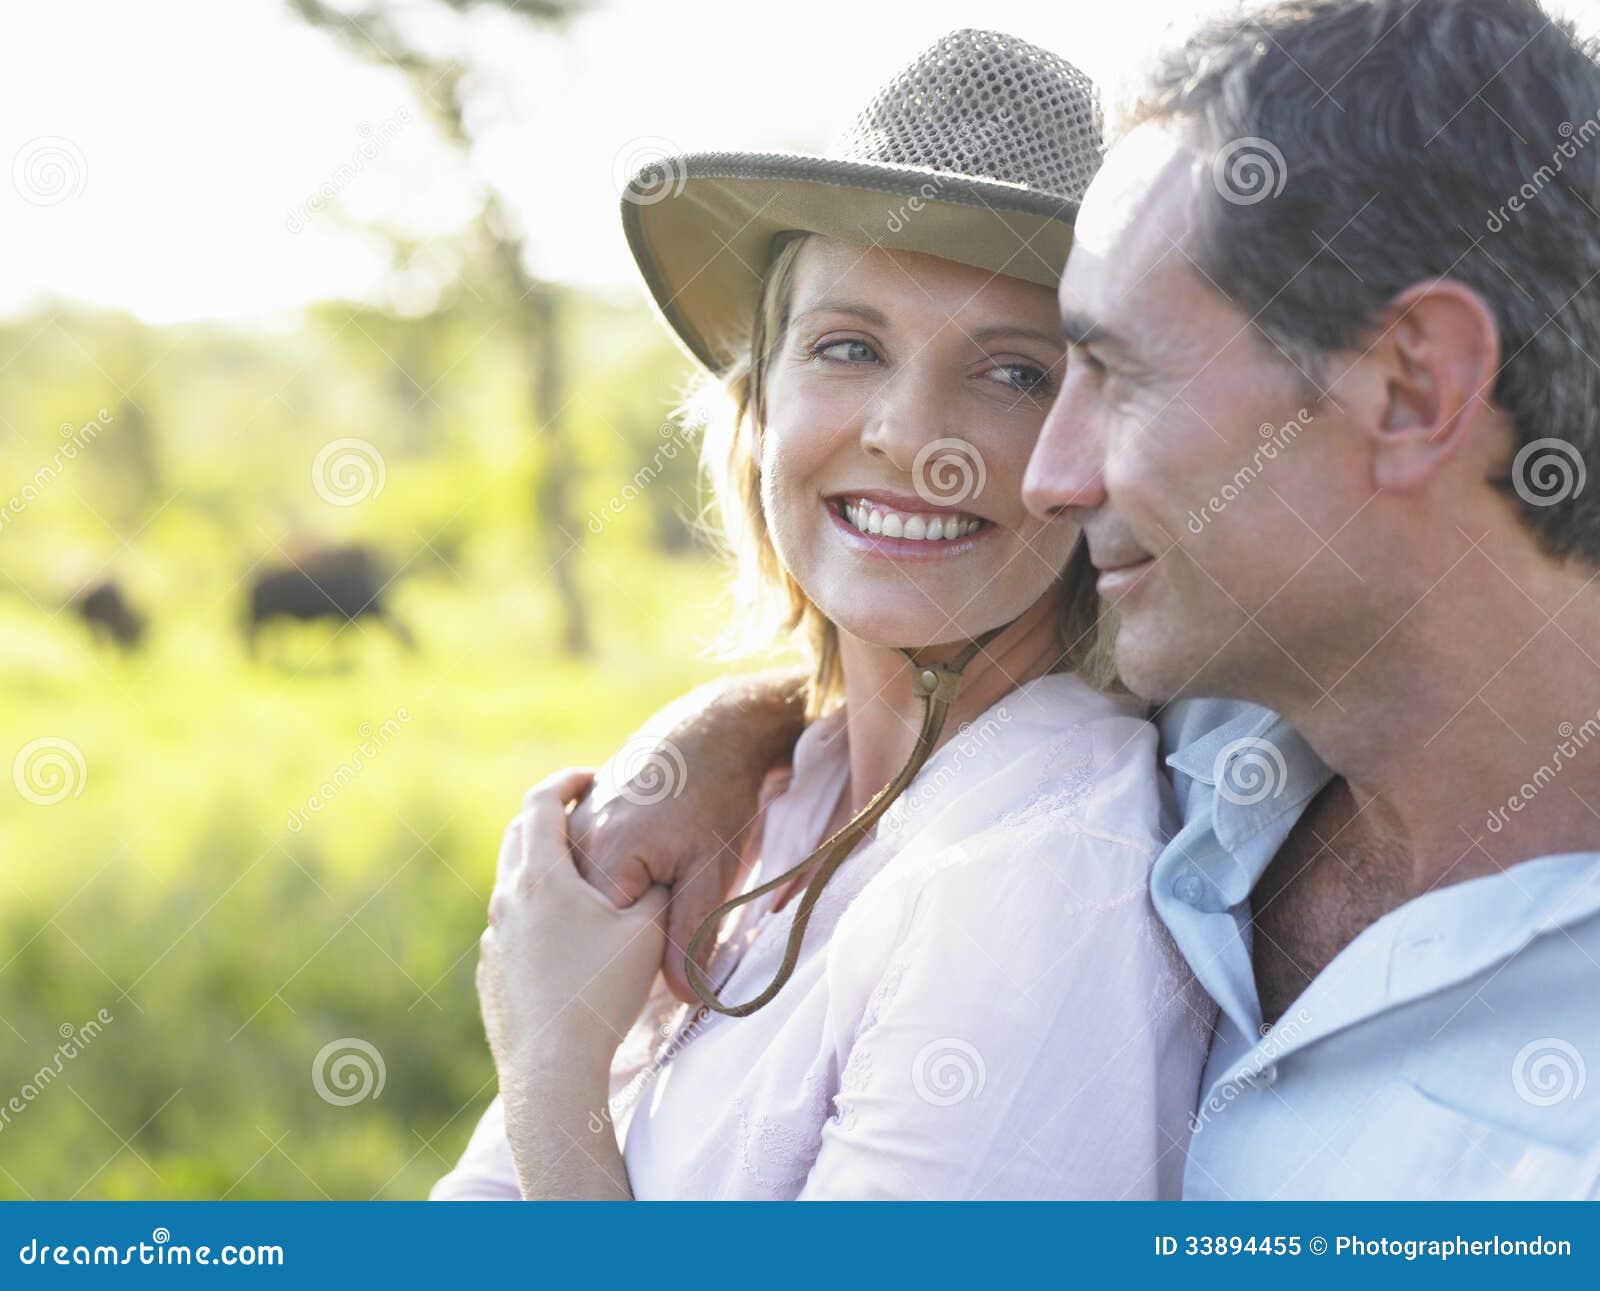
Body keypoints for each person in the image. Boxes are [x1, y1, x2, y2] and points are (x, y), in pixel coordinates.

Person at [561, 0, 1600, 1199]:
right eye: (845, 346)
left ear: (1414, 387)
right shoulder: (1227, 729)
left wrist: (550, 1058)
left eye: (1100, 370)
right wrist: (723, 743)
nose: (1052, 474)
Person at [432, 30, 1212, 1202]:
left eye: (1013, 373)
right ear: (758, 406)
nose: (910, 435)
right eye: (848, 347)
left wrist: (550, 1069)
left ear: (1093, 446)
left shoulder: (1038, 870)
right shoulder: (769, 800)